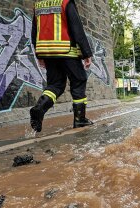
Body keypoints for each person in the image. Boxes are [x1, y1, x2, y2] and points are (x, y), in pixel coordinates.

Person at [30, 0, 94, 132]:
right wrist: (86, 53)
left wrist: (39, 55)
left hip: (47, 52)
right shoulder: (65, 2)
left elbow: (34, 32)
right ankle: (79, 120)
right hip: (67, 51)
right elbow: (77, 28)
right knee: (79, 80)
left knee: (55, 85)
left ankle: (40, 108)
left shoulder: (38, 5)